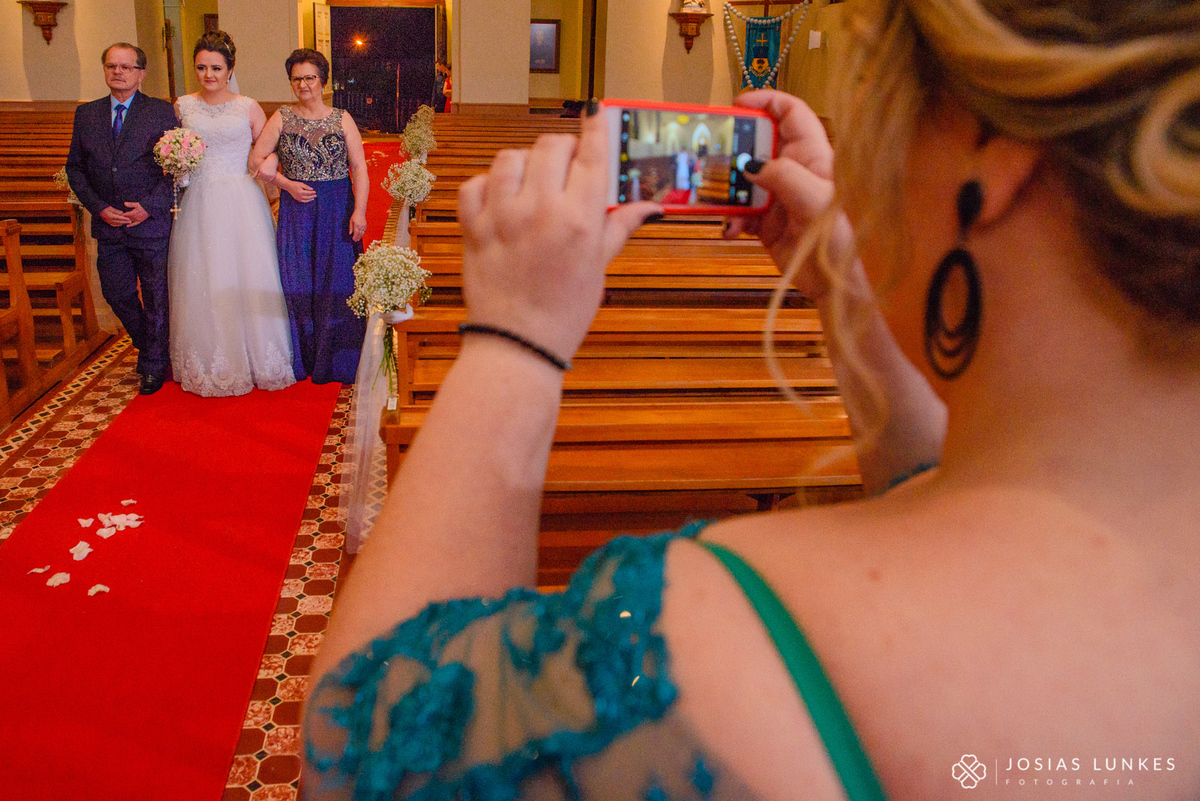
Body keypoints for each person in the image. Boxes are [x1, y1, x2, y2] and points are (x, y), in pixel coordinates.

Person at [302, 0, 1200, 797]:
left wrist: (516, 339)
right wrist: (842, 289)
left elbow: (355, 752)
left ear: (992, 163)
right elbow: (940, 494)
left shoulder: (717, 645)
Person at [168, 31, 296, 397]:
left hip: (241, 199)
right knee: (203, 275)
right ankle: (209, 356)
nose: (209, 75)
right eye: (202, 67)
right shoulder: (183, 107)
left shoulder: (247, 106)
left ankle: (256, 356)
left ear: (230, 69)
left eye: (216, 68)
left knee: (246, 271)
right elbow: (173, 147)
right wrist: (175, 160)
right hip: (200, 199)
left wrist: (269, 161)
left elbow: (270, 149)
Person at [249, 49, 369, 385]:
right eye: (297, 78)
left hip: (336, 205)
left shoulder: (342, 117)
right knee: (299, 279)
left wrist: (359, 210)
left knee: (338, 278)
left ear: (323, 81)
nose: (303, 84)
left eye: (310, 78)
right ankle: (305, 356)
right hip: (297, 208)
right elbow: (256, 161)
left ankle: (339, 359)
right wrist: (286, 184)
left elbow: (359, 166)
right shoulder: (282, 118)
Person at [66, 43, 177, 395]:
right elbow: (75, 168)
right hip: (109, 223)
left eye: (126, 67)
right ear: (104, 70)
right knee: (117, 293)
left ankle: (153, 365)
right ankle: (151, 344)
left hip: (150, 222)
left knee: (158, 295)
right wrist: (98, 207)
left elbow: (176, 168)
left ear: (140, 73)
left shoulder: (160, 112)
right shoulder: (87, 114)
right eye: (112, 66)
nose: (119, 72)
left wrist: (149, 206)